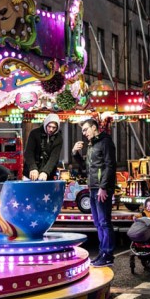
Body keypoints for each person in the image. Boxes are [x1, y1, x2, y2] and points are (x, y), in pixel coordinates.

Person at [72, 117, 117, 266]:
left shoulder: (106, 142)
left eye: (85, 129)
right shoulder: (92, 145)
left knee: (104, 222)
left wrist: (103, 187)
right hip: (93, 188)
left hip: (101, 188)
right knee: (98, 222)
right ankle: (102, 252)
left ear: (94, 127)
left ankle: (108, 254)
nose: (84, 133)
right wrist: (75, 153)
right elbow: (86, 168)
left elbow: (110, 166)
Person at [24, 113, 63, 180]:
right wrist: (32, 168)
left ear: (57, 128)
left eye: (54, 127)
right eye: (49, 126)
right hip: (30, 173)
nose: (51, 129)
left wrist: (45, 171)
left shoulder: (59, 138)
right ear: (45, 124)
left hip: (48, 175)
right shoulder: (34, 133)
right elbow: (28, 152)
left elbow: (54, 158)